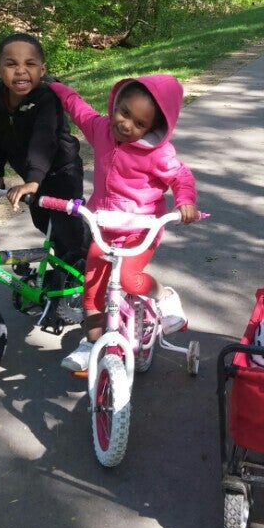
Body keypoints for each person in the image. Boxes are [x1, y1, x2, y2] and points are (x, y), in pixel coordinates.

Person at [45, 74, 199, 372]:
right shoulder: (102, 129)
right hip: (104, 226)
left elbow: (181, 176)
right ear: (116, 104)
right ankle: (91, 344)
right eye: (124, 112)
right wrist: (55, 86)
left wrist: (185, 202)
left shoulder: (158, 153)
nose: (126, 124)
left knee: (128, 279)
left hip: (140, 229)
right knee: (92, 291)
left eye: (139, 124)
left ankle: (164, 296)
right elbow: (79, 109)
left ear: (153, 128)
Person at [0, 33, 89, 261]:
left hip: (62, 170)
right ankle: (66, 261)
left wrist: (32, 180)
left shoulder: (47, 97)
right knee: (43, 222)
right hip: (31, 174)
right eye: (11, 64)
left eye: (30, 64)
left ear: (42, 70)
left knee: (66, 227)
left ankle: (87, 263)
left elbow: (44, 138)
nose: (21, 70)